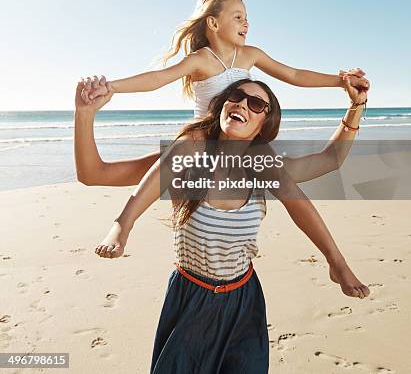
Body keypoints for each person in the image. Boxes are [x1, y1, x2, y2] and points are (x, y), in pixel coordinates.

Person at [74, 75, 370, 374]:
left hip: (244, 299)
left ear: (263, 125)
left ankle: (336, 263)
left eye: (256, 104)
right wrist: (85, 115)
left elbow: (330, 160)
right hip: (192, 299)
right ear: (223, 105)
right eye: (236, 96)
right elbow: (93, 173)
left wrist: (356, 105)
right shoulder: (186, 154)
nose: (242, 103)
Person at [76, 0, 369, 188]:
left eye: (247, 17)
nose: (246, 23)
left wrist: (340, 80)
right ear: (213, 23)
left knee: (294, 180)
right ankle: (124, 224)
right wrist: (112, 87)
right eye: (238, 16)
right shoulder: (201, 59)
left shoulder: (251, 54)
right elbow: (158, 78)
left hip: (240, 145)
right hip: (202, 144)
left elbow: (293, 74)